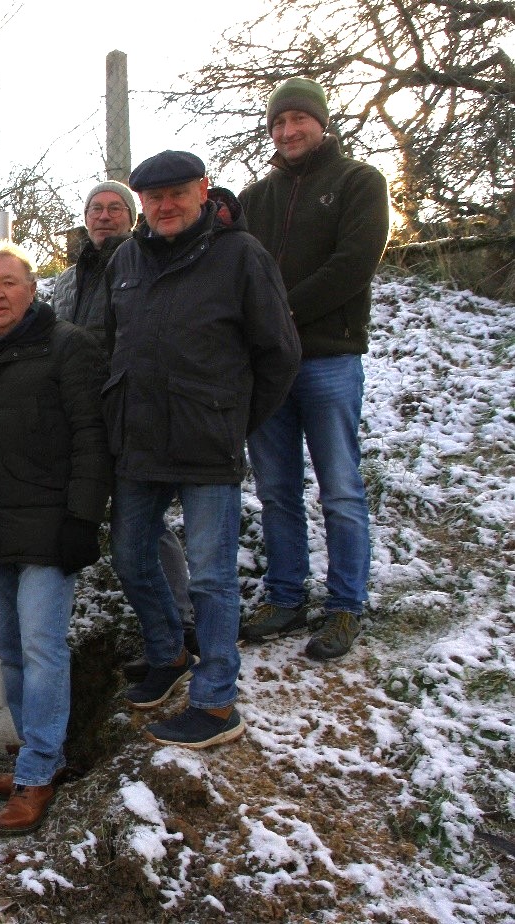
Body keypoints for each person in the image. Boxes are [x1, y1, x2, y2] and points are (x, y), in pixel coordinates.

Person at [104, 151, 299, 749]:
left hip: (206, 444)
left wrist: (232, 419)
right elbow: (114, 341)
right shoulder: (127, 259)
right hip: (139, 441)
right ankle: (168, 655)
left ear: (202, 192)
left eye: (177, 194)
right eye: (153, 198)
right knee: (132, 555)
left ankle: (217, 705)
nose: (165, 206)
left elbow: (279, 353)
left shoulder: (240, 256)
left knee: (213, 578)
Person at [0, 241, 112, 834]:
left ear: (32, 290)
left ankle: (35, 774)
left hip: (51, 528)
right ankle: (45, 754)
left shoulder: (69, 347)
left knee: (41, 646)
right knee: (8, 647)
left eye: (10, 283)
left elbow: (91, 437)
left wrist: (83, 518)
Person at [237, 78, 390, 660]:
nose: (288, 131)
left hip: (328, 358)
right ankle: (285, 595)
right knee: (276, 491)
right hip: (269, 369)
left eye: (298, 119)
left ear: (320, 123)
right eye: (278, 123)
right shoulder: (258, 195)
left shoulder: (359, 182)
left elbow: (354, 263)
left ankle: (346, 606)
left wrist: (280, 313)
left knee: (342, 489)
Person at [51, 180, 197, 680]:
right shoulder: (67, 278)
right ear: (85, 216)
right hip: (75, 415)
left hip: (127, 411)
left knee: (143, 525)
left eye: (116, 208)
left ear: (132, 217)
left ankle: (181, 618)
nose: (105, 215)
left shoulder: (141, 264)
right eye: (97, 207)